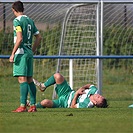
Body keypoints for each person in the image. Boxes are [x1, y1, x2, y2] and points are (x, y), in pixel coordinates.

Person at [9, 1, 41, 112]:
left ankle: (23, 106)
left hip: (21, 52)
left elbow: (19, 38)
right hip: (28, 53)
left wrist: (12, 53)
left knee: (22, 79)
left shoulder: (17, 21)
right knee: (29, 79)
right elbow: (38, 37)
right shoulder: (30, 20)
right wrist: (32, 50)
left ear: (14, 10)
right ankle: (33, 105)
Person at [32, 73, 108, 109]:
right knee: (57, 76)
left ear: (95, 103)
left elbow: (72, 106)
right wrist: (82, 87)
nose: (99, 95)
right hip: (67, 92)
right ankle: (43, 86)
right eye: (100, 96)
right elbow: (89, 85)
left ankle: (33, 106)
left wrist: (77, 94)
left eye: (99, 98)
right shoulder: (95, 91)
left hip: (64, 103)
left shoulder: (87, 105)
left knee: (45, 102)